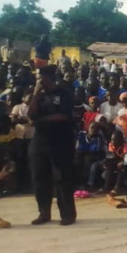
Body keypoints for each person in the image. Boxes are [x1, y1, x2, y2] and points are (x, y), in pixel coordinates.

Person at [28, 65, 77, 225]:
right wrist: (35, 95)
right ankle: (44, 212)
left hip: (60, 140)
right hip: (40, 140)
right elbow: (31, 114)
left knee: (62, 177)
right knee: (39, 177)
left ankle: (67, 214)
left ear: (49, 78)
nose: (38, 81)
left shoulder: (64, 93)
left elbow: (63, 115)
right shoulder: (38, 95)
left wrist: (41, 120)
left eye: (40, 78)